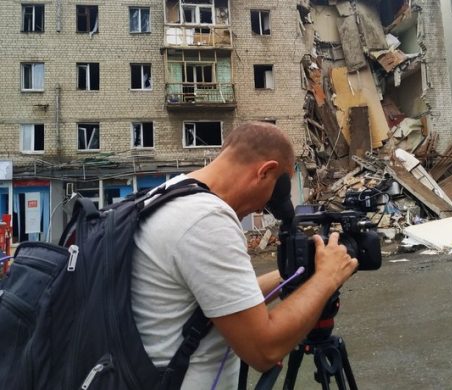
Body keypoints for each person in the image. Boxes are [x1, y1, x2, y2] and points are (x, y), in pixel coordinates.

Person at [130, 121, 358, 389]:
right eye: (267, 200)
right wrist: (328, 278)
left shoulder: (170, 195)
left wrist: (302, 268)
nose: (262, 208)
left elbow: (228, 301)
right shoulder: (206, 219)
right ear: (265, 172)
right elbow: (264, 350)